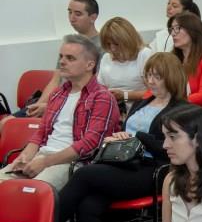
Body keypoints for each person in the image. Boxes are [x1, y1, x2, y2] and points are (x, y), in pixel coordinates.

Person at [61, 53, 189, 222]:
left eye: (157, 76)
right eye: (148, 75)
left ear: (171, 78)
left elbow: (168, 151)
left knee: (84, 175)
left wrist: (138, 137)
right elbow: (127, 132)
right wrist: (117, 138)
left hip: (153, 171)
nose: (151, 81)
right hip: (126, 164)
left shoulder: (181, 109)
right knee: (88, 206)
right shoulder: (144, 102)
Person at [0, 35, 118, 190]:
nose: (62, 62)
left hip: (71, 163)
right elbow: (41, 133)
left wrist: (45, 162)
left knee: (30, 193)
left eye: (70, 58)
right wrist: (25, 157)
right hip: (41, 157)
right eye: (61, 56)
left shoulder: (102, 97)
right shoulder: (58, 94)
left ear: (90, 65)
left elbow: (89, 144)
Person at [12, 0, 103, 122]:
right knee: (7, 123)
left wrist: (50, 107)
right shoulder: (69, 44)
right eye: (69, 12)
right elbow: (55, 81)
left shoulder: (102, 46)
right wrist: (38, 105)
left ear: (93, 17)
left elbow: (92, 87)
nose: (72, 18)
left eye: (78, 14)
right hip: (54, 102)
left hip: (72, 107)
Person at [97, 18, 154, 107]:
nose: (112, 49)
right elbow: (100, 87)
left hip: (140, 109)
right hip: (112, 109)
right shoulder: (106, 57)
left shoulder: (144, 55)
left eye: (116, 44)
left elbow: (154, 92)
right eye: (108, 44)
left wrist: (125, 96)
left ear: (128, 40)